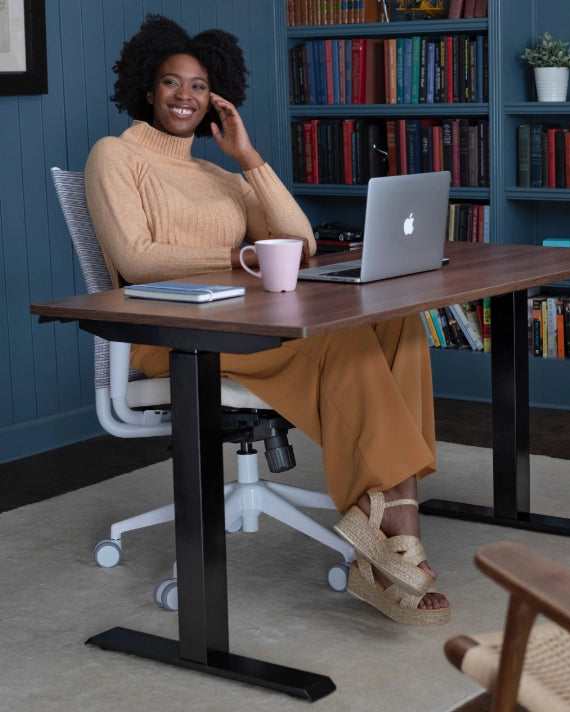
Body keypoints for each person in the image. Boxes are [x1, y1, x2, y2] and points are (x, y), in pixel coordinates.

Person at [84, 14, 449, 625]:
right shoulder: (114, 157)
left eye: (199, 86)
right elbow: (135, 259)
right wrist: (234, 255)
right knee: (342, 345)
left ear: (215, 97)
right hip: (170, 335)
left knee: (399, 324)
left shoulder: (219, 173)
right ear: (147, 90)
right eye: (171, 83)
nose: (184, 97)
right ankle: (397, 534)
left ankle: (385, 515)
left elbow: (300, 242)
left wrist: (249, 157)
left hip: (244, 323)